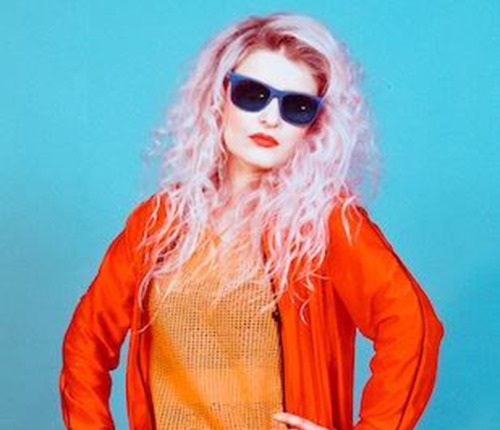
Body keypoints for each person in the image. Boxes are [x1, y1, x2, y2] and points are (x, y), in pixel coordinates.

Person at [59, 12, 444, 430]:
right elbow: (86, 342)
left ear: (315, 126)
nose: (270, 118)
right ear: (218, 97)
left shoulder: (322, 223)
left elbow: (413, 326)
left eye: (296, 107)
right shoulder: (158, 223)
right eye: (253, 94)